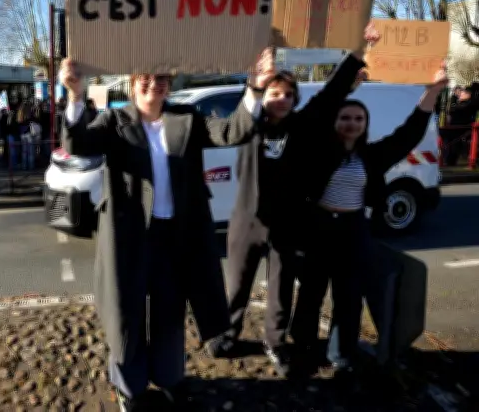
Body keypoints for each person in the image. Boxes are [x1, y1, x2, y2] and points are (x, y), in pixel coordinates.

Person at [59, 53, 273, 410]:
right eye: (145, 77)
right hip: (128, 238)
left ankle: (169, 377)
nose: (153, 83)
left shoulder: (186, 118)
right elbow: (76, 144)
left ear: (170, 85)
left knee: (169, 314)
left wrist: (255, 87)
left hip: (174, 238)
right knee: (126, 314)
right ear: (132, 83)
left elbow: (233, 131)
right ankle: (130, 387)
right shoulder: (114, 121)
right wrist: (75, 95)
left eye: (161, 78)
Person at [210, 25, 378, 377]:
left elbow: (331, 94)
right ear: (263, 95)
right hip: (247, 221)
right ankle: (227, 335)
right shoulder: (249, 124)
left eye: (288, 94)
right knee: (237, 285)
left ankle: (275, 342)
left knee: (281, 290)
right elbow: (237, 119)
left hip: (288, 224)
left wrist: (359, 51)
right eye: (275, 93)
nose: (282, 99)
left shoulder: (302, 127)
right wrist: (257, 80)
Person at [291, 64, 449, 385]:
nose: (351, 123)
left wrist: (432, 92)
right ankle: (303, 349)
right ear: (335, 121)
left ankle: (341, 355)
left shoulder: (372, 156)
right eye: (345, 117)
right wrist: (347, 87)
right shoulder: (319, 149)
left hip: (354, 230)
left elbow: (408, 134)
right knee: (311, 293)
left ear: (365, 125)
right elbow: (317, 112)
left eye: (358, 119)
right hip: (318, 229)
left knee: (349, 297)